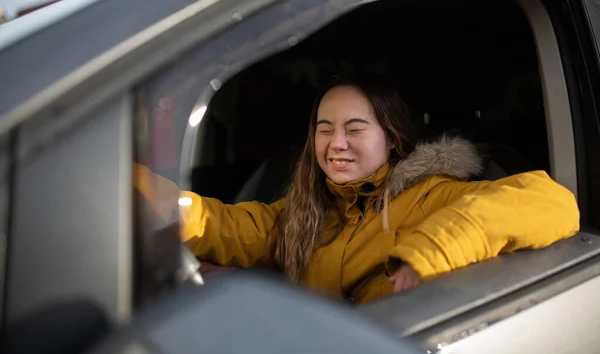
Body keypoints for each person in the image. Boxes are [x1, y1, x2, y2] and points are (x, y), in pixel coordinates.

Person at [135, 74, 580, 304]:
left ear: (390, 138)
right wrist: (131, 184)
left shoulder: (429, 196)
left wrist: (427, 254)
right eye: (324, 129)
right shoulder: (305, 211)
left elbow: (552, 202)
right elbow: (222, 224)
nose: (336, 143)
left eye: (354, 128)